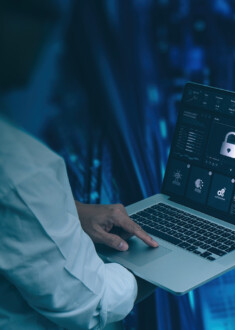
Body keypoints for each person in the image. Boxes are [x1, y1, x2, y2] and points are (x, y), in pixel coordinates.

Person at [0, 1, 159, 329]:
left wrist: (69, 211)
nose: (48, 38)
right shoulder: (22, 170)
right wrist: (167, 266)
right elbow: (94, 304)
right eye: (41, 17)